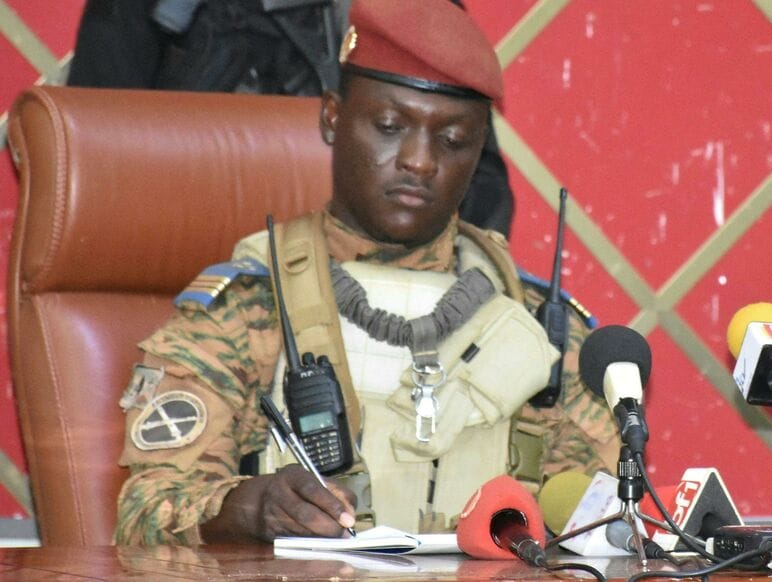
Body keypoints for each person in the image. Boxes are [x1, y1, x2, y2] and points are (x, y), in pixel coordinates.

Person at [113, 0, 620, 545]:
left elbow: (603, 518)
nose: (419, 161)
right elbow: (145, 513)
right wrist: (248, 508)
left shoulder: (540, 328)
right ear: (333, 117)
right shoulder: (247, 309)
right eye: (390, 126)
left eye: (452, 140)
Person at [67, 0, 514, 237]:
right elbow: (88, 170)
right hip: (182, 287)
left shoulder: (410, 14)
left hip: (360, 290)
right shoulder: (146, 10)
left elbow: (478, 191)